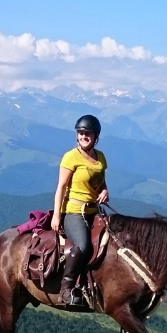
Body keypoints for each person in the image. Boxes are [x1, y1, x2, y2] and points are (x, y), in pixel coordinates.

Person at [51, 115, 109, 306]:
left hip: (94, 210)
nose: (84, 136)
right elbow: (60, 187)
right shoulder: (70, 157)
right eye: (81, 133)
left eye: (88, 133)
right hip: (74, 211)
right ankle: (66, 289)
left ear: (96, 136)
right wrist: (57, 216)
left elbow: (99, 179)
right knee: (83, 245)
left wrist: (104, 190)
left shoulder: (100, 157)